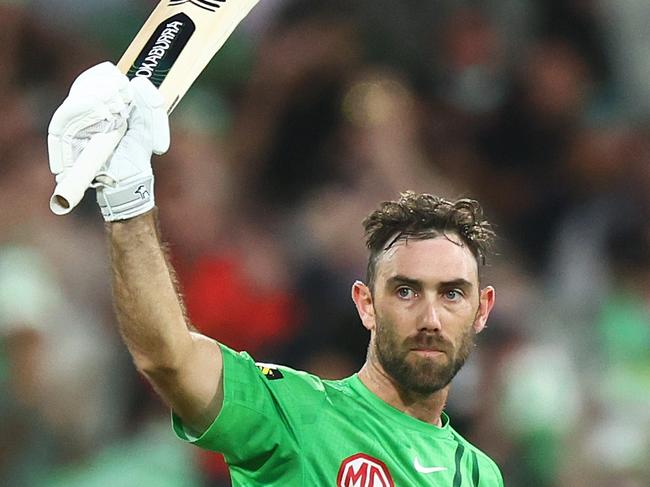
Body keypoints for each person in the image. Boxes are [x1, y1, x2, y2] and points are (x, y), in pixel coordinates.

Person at [47, 63, 503, 486]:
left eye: (452, 294)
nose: (430, 317)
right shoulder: (299, 412)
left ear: (481, 310)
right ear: (366, 304)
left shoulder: (479, 473)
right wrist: (127, 197)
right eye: (405, 291)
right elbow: (169, 357)